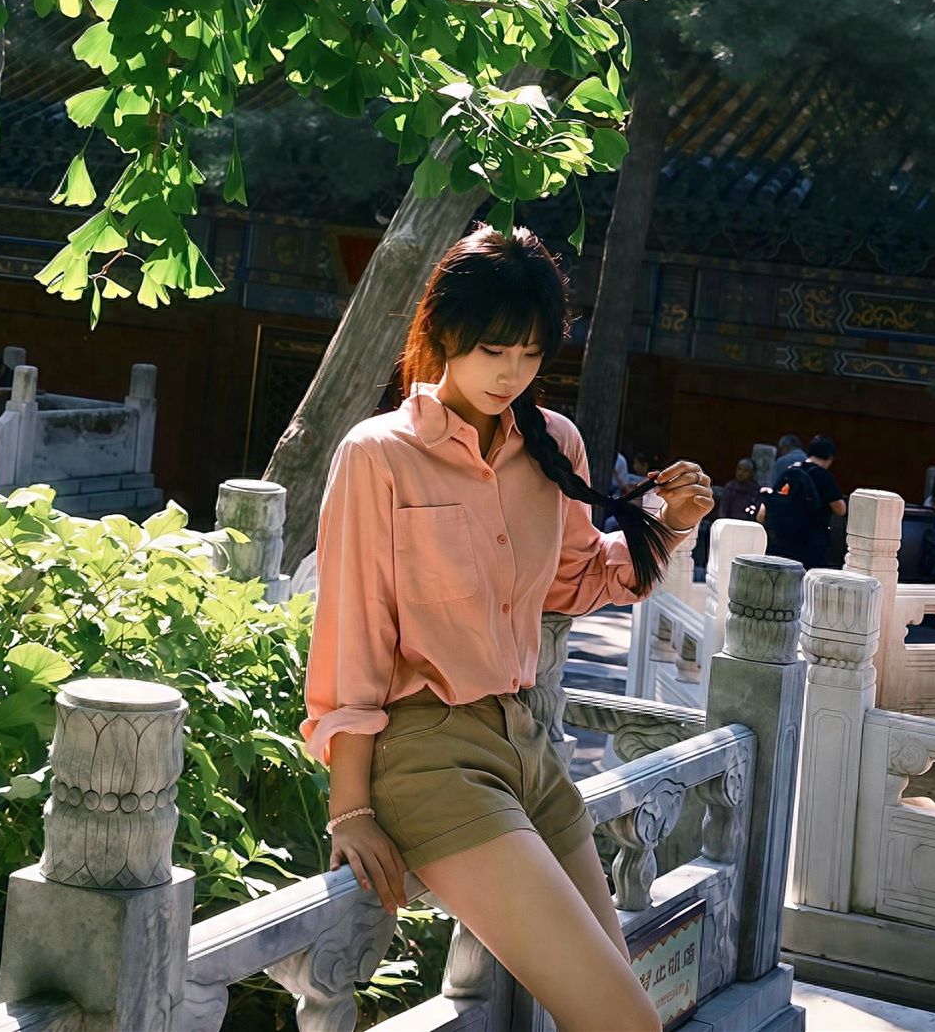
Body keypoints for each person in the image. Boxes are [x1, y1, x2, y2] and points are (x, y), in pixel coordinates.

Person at [301, 225, 714, 1032]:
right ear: (443, 333)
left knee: (619, 1002)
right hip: (429, 760)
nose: (511, 373)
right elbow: (351, 637)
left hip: (529, 748)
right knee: (624, 1020)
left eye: (529, 354)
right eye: (494, 349)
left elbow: (576, 579)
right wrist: (349, 807)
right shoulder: (377, 455)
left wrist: (665, 517)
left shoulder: (552, 442)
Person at [759, 435, 846, 569]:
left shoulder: (790, 471)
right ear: (830, 458)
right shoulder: (823, 475)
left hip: (783, 543)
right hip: (811, 546)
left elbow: (763, 512)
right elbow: (840, 509)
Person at [719, 458, 760, 522]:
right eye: (739, 469)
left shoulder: (756, 490)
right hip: (730, 524)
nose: (741, 473)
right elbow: (723, 512)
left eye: (746, 471)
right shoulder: (730, 487)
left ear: (752, 473)